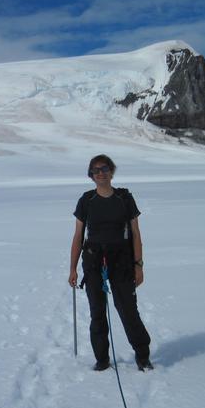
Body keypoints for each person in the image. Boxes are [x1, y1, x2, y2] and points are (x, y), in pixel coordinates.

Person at [68, 154, 152, 371]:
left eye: (104, 169)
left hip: (122, 261)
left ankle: (143, 356)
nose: (100, 173)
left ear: (112, 171)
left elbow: (135, 233)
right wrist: (73, 268)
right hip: (94, 261)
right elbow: (78, 236)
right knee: (97, 311)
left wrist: (138, 265)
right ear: (91, 176)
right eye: (95, 170)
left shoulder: (124, 198)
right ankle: (102, 359)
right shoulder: (86, 201)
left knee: (128, 310)